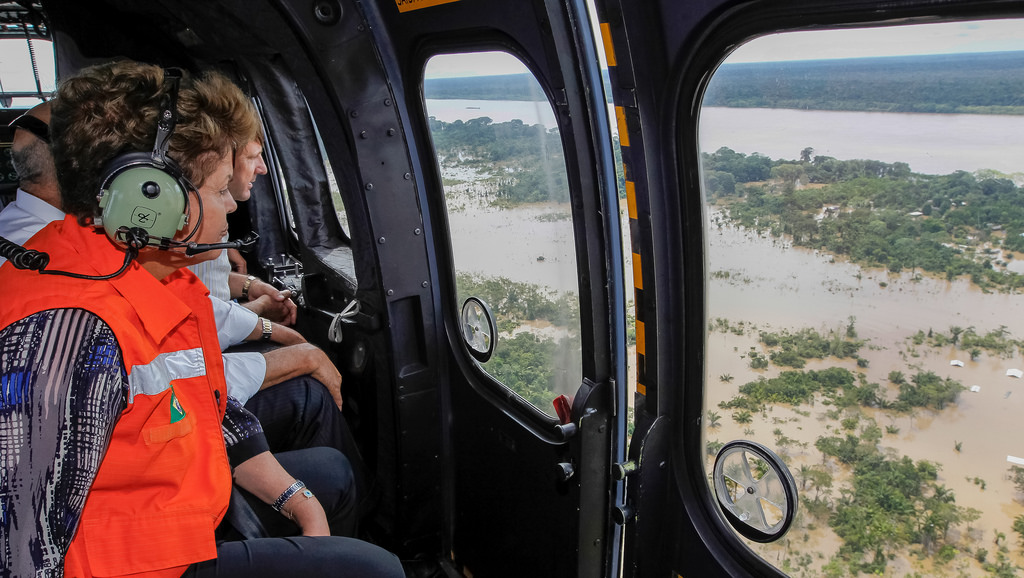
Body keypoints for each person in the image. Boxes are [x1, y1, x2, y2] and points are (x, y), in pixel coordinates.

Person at [0, 60, 403, 577]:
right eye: (217, 191)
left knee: (330, 479)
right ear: (149, 199)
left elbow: (209, 408)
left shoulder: (153, 280)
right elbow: (21, 552)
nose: (230, 208)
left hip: (164, 521)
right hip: (127, 564)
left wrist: (295, 499)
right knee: (374, 571)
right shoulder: (66, 331)